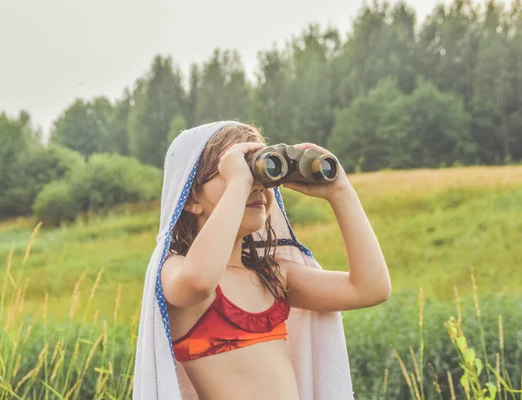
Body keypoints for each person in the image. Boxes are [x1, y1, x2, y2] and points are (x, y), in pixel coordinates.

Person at [133, 121, 391, 400]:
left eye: (260, 174)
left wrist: (340, 192)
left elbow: (370, 288)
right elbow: (199, 281)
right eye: (237, 173)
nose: (255, 186)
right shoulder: (177, 270)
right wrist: (240, 182)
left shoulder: (274, 277)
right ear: (191, 198)